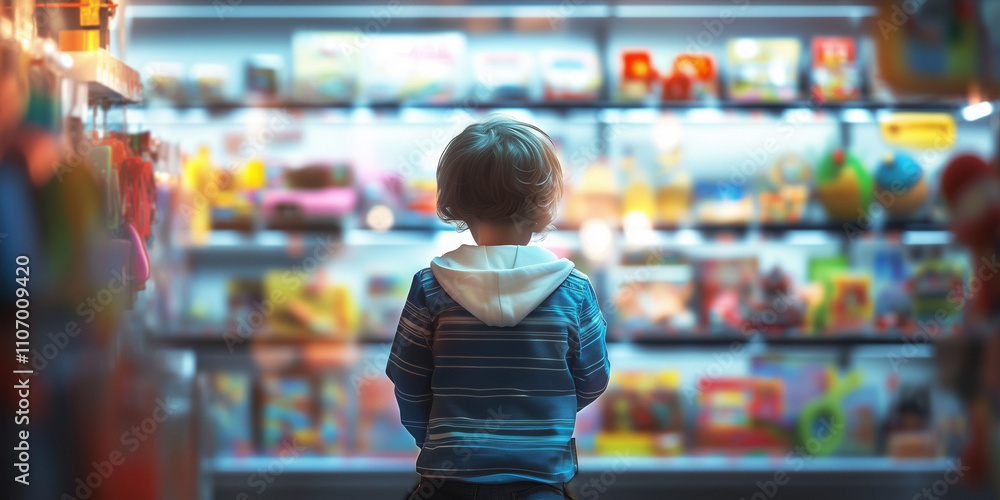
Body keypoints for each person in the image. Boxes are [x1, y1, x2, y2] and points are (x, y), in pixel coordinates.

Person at [386, 116, 610, 500]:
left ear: (455, 200)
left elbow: (407, 377)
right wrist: (546, 415)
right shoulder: (574, 290)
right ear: (544, 204)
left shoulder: (430, 287)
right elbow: (593, 378)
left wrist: (432, 435)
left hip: (447, 481)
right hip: (541, 480)